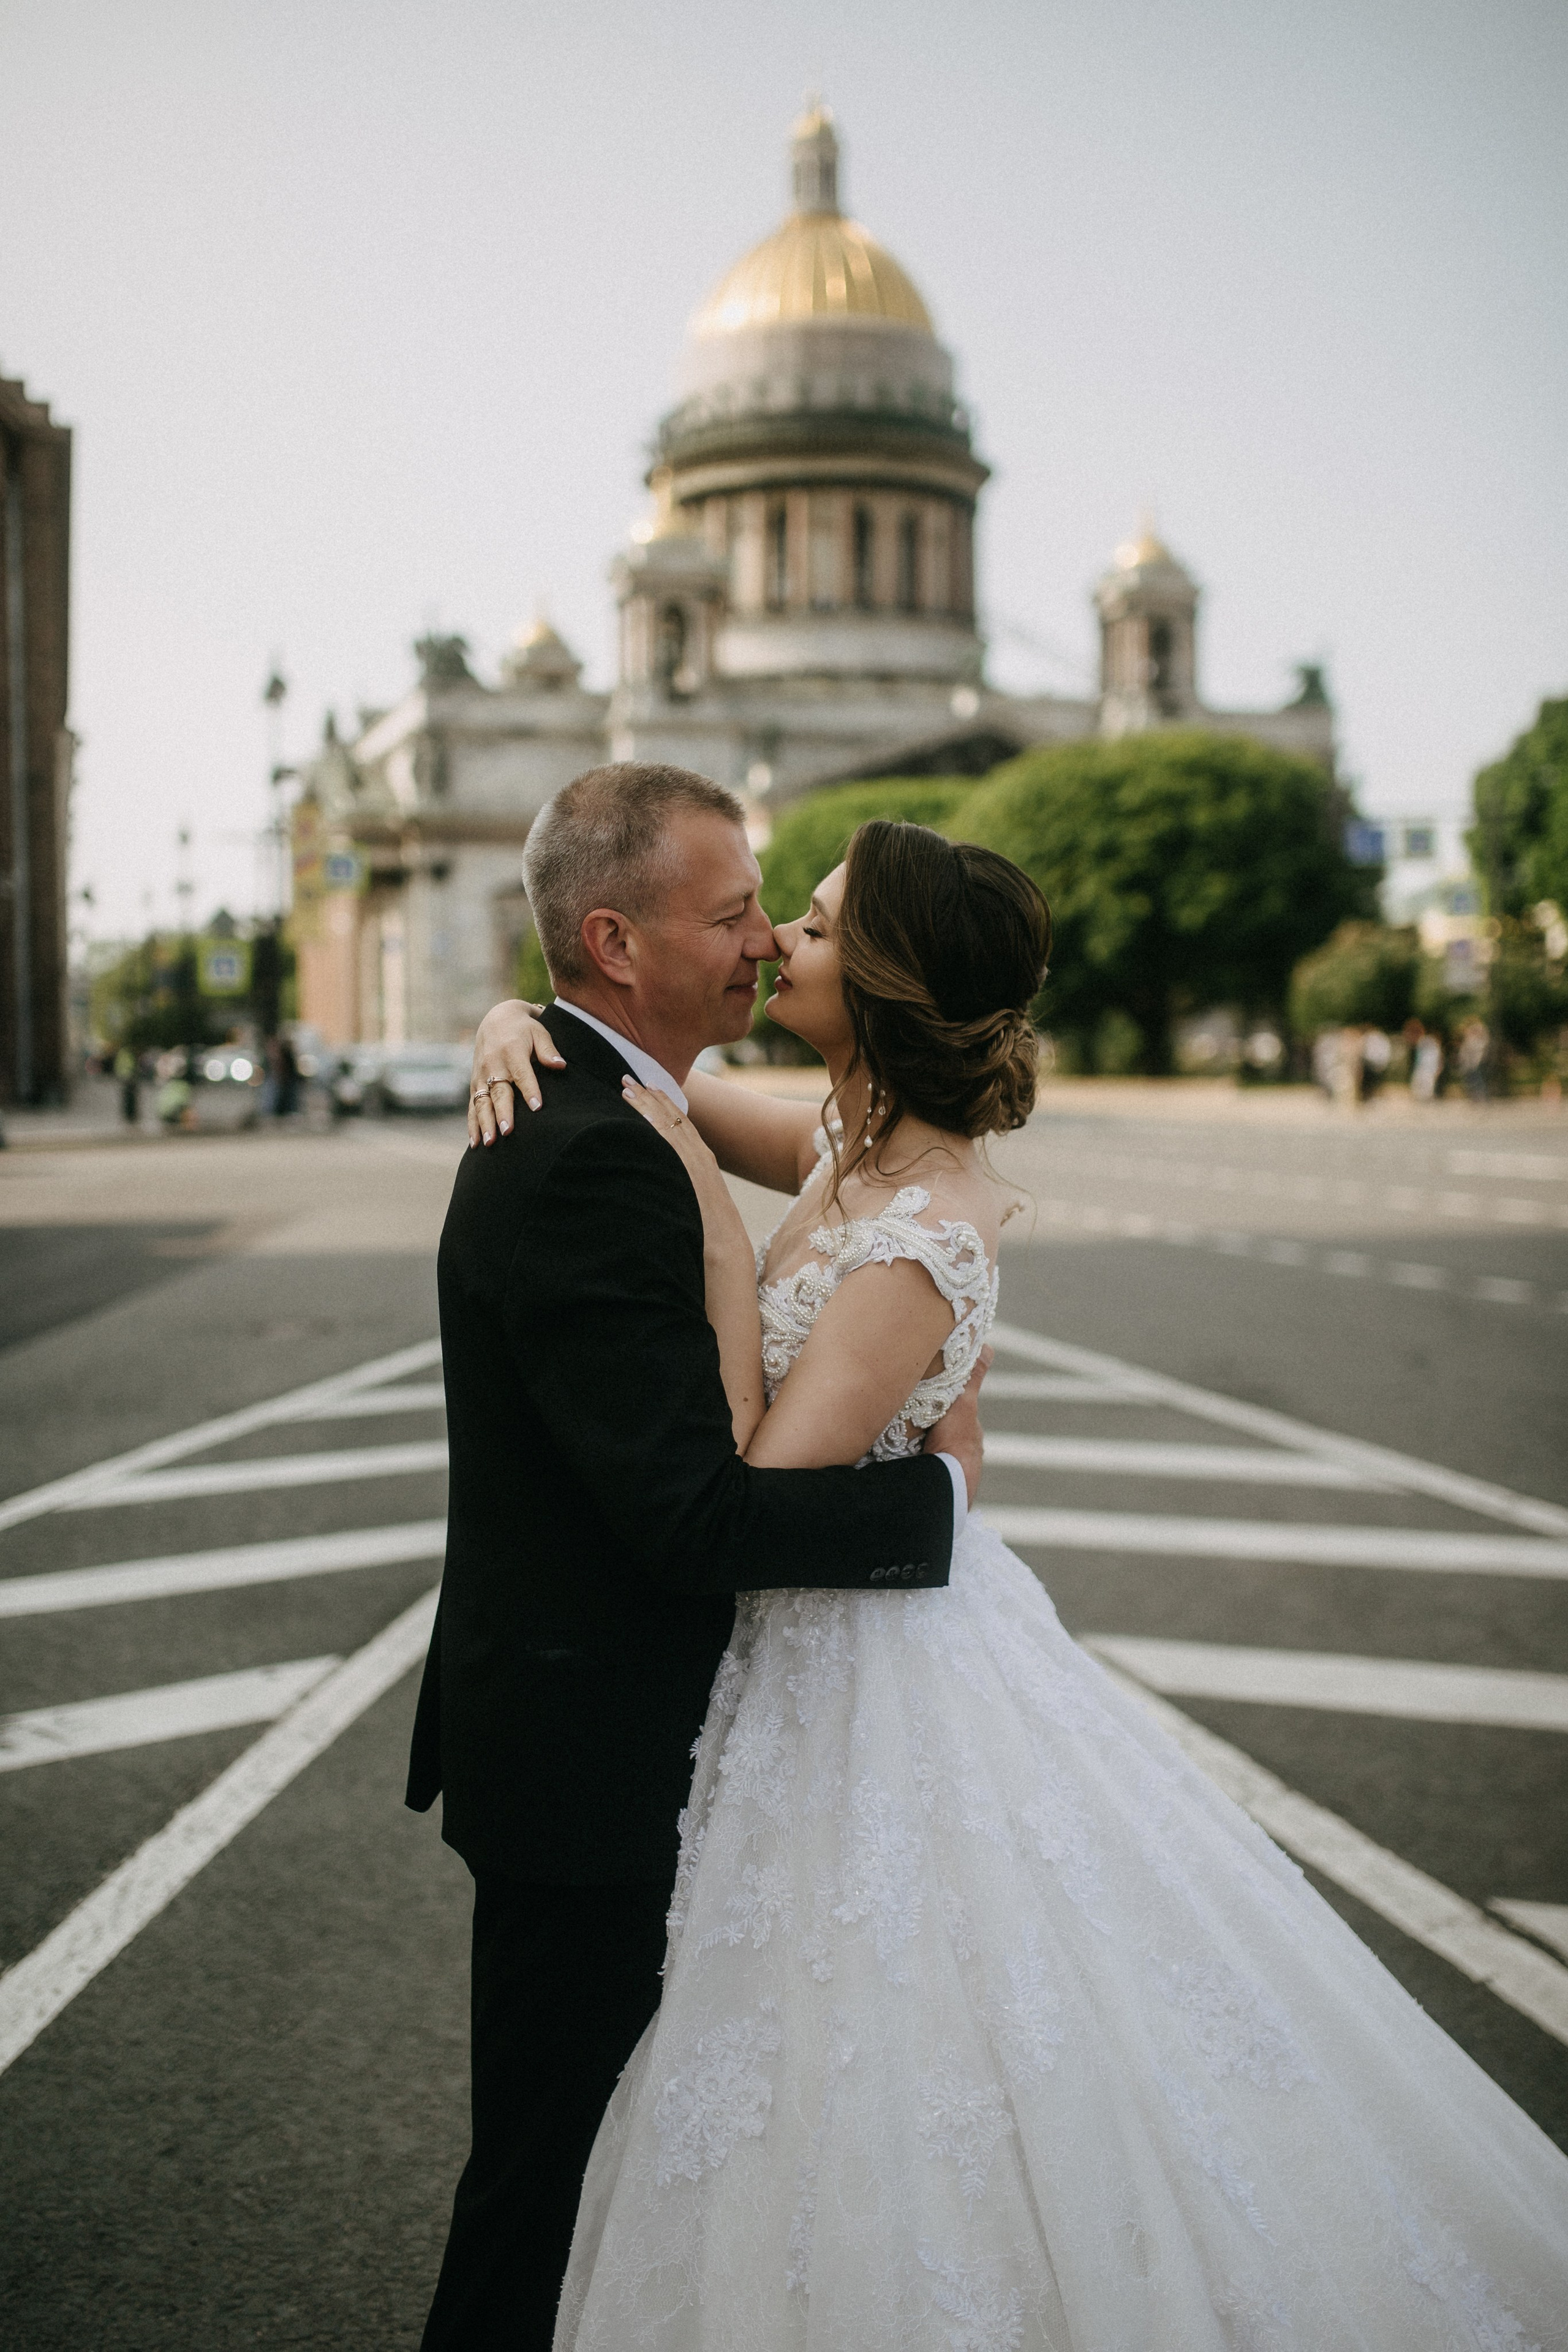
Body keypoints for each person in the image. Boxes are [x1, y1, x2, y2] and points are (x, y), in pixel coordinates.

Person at [473, 812, 1568, 2350]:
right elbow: (665, 1086)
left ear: (889, 983)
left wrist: (727, 1260)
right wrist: (515, 1016)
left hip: (868, 1664)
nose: (780, 933)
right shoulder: (849, 1150)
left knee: (912, 2037)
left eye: (819, 919)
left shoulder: (923, 1221)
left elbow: (749, 1491)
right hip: (819, 1646)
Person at [408, 765, 983, 2352]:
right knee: (548, 2188)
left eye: (779, 914)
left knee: (641, 2175)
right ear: (611, 939)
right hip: (594, 1761)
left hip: (648, 1744)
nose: (759, 940)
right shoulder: (591, 1144)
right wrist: (939, 1508)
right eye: (734, 912)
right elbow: (688, 1521)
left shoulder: (644, 1104)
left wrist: (514, 1012)